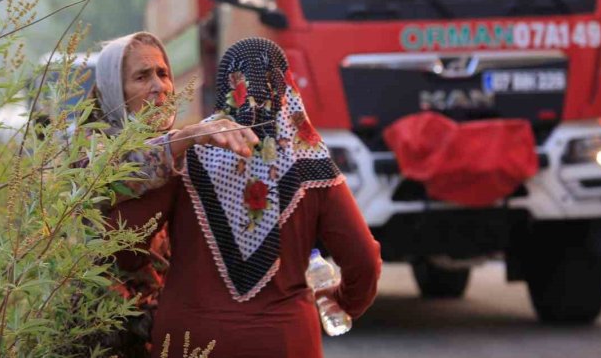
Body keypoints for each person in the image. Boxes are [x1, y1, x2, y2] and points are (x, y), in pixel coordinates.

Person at [107, 37, 382, 357]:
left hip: (190, 340)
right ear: (286, 85)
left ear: (226, 86)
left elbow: (124, 246)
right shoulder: (311, 164)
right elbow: (364, 259)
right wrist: (341, 302)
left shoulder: (187, 153)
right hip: (284, 339)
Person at [80, 31, 259, 357]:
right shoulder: (85, 145)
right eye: (141, 76)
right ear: (113, 90)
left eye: (163, 73)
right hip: (101, 332)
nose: (159, 86)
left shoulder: (181, 147)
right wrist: (186, 137)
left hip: (162, 329)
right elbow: (117, 172)